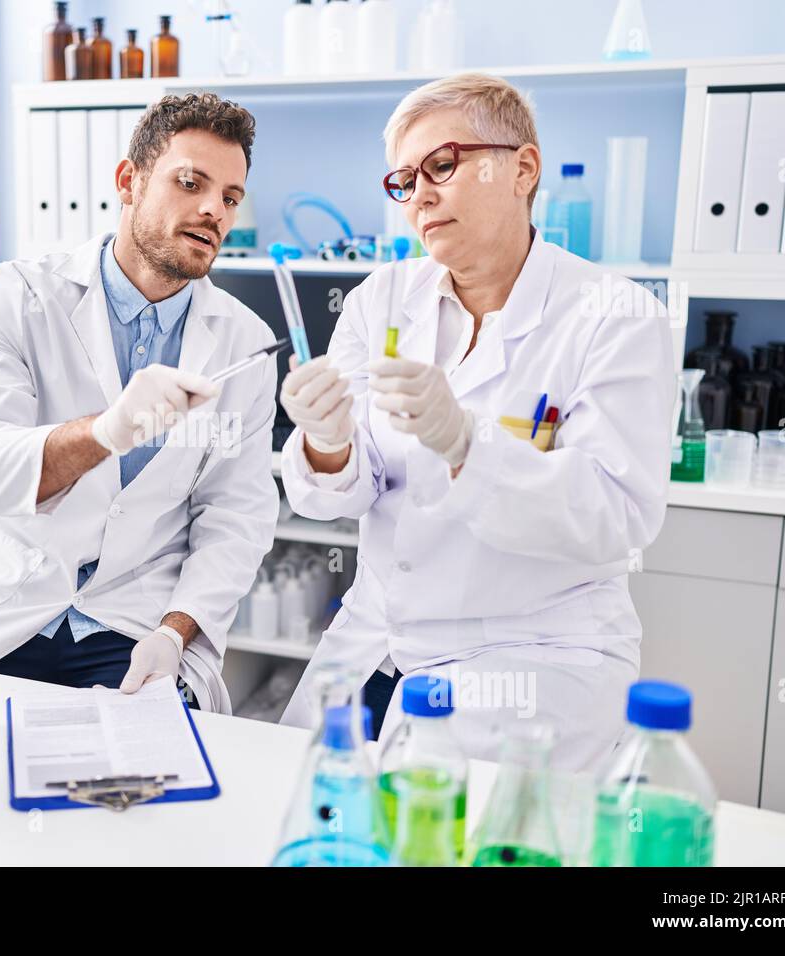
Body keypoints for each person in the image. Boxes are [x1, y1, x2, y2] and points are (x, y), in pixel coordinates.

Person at [278, 73, 674, 770]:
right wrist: (327, 442)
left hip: (530, 654)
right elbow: (346, 492)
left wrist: (467, 445)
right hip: (375, 639)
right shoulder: (380, 300)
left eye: (442, 165)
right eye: (405, 180)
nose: (420, 196)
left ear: (523, 169)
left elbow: (616, 515)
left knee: (442, 816)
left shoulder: (617, 316)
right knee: (300, 796)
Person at [0, 93, 278, 713]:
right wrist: (106, 432)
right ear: (129, 181)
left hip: (136, 626)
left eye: (230, 197)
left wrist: (174, 633)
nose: (214, 209)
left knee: (148, 764)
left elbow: (235, 517)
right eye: (191, 183)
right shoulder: (19, 296)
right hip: (7, 608)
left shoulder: (246, 344)